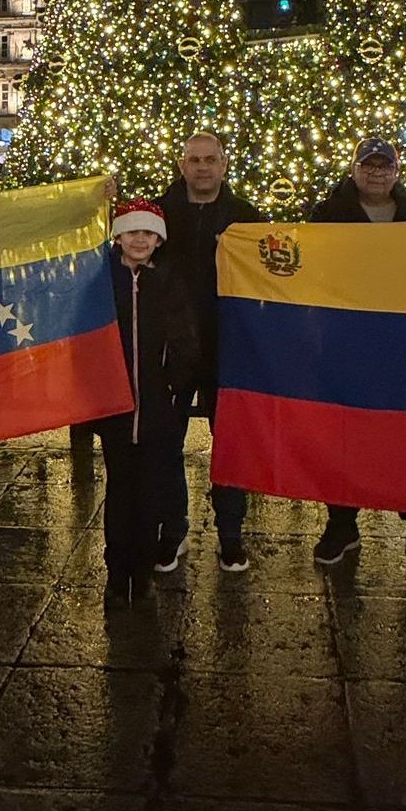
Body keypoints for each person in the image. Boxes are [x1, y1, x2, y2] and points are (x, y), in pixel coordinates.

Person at [307, 138, 406, 578]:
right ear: (354, 170)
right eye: (367, 166)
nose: (376, 174)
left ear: (397, 171)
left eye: (384, 166)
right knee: (344, 433)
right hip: (347, 341)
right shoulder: (328, 214)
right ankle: (342, 522)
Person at [153, 132, 263, 573]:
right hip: (173, 345)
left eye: (210, 159)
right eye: (194, 159)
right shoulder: (159, 214)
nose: (202, 167)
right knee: (166, 441)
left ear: (223, 165)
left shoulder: (246, 218)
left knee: (231, 441)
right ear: (182, 166)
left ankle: (231, 533)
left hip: (227, 346)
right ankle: (173, 528)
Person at [91, 200, 199, 607]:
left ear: (158, 240)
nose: (140, 239)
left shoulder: (169, 280)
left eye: (148, 233)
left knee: (151, 493)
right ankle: (118, 573)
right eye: (132, 232)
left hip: (157, 409)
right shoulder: (103, 279)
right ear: (118, 235)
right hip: (116, 408)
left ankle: (143, 570)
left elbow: (186, 339)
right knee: (120, 491)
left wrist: (173, 389)